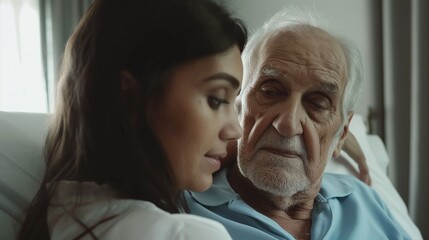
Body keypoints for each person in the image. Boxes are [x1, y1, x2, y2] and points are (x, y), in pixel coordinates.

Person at [17, 0, 246, 239]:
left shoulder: (62, 214)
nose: (235, 130)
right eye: (216, 100)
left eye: (234, 102)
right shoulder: (184, 234)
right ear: (129, 96)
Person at [186, 8, 411, 240]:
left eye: (318, 103)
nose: (288, 124)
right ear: (238, 105)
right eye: (270, 91)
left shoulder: (364, 201)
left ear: (342, 135)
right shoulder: (182, 213)